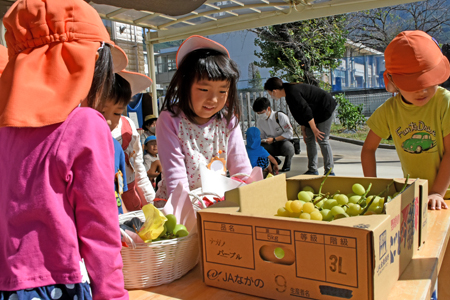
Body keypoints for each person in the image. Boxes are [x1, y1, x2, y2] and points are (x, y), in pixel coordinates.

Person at [0, 0, 129, 299]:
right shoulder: (85, 125)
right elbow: (99, 229)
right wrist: (113, 295)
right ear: (90, 61)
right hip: (58, 283)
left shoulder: (5, 128)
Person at [361, 30, 450, 211]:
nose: (421, 91)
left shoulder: (445, 102)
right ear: (392, 81)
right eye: (413, 84)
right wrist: (374, 189)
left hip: (446, 194)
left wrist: (437, 193)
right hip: (416, 193)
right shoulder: (389, 110)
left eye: (427, 82)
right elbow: (368, 150)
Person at [155, 35, 252, 199]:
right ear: (185, 86)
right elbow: (176, 180)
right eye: (204, 90)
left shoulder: (227, 120)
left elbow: (241, 169)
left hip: (214, 202)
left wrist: (251, 200)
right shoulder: (170, 120)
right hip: (177, 205)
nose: (213, 100)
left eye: (222, 91)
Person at [264, 77, 337, 176]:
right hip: (313, 113)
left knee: (322, 139)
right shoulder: (288, 94)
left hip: (325, 109)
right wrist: (304, 128)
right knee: (309, 139)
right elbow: (299, 113)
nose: (270, 96)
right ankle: (312, 169)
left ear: (275, 91)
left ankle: (329, 171)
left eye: (269, 93)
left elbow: (305, 110)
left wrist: (315, 129)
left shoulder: (292, 92)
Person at [110, 75, 156, 211]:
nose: (108, 120)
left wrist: (151, 201)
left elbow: (138, 169)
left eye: (117, 112)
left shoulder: (128, 125)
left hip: (131, 198)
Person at [252, 96, 295, 172]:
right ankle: (273, 161)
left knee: (289, 148)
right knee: (260, 147)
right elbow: (261, 135)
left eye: (261, 113)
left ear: (268, 109)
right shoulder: (260, 121)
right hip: (270, 144)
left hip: (283, 142)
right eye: (258, 113)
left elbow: (290, 133)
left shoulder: (280, 116)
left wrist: (274, 139)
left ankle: (287, 164)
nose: (260, 115)